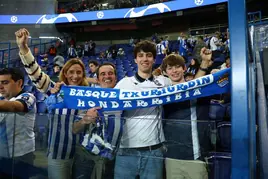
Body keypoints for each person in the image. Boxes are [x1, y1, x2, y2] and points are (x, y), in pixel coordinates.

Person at [15, 28, 89, 179]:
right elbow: (35, 73)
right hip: (57, 154)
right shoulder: (54, 89)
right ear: (65, 73)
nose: (75, 76)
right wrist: (24, 48)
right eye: (71, 72)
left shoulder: (88, 95)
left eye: (79, 72)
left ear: (83, 75)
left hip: (83, 156)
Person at [114, 40, 171, 179]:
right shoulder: (123, 84)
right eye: (141, 55)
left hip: (154, 151)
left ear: (154, 59)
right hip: (126, 150)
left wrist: (205, 67)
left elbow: (189, 88)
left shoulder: (164, 82)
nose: (145, 59)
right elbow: (108, 107)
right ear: (135, 59)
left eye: (149, 55)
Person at [160, 50, 213, 179]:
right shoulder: (162, 94)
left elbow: (195, 86)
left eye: (177, 66)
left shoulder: (196, 91)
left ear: (184, 68)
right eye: (170, 68)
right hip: (171, 158)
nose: (174, 71)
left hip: (195, 158)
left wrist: (205, 63)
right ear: (165, 72)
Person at [0, 68, 36, 178]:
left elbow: (15, 106)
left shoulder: (28, 97)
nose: (1, 87)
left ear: (19, 83)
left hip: (20, 156)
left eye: (5, 83)